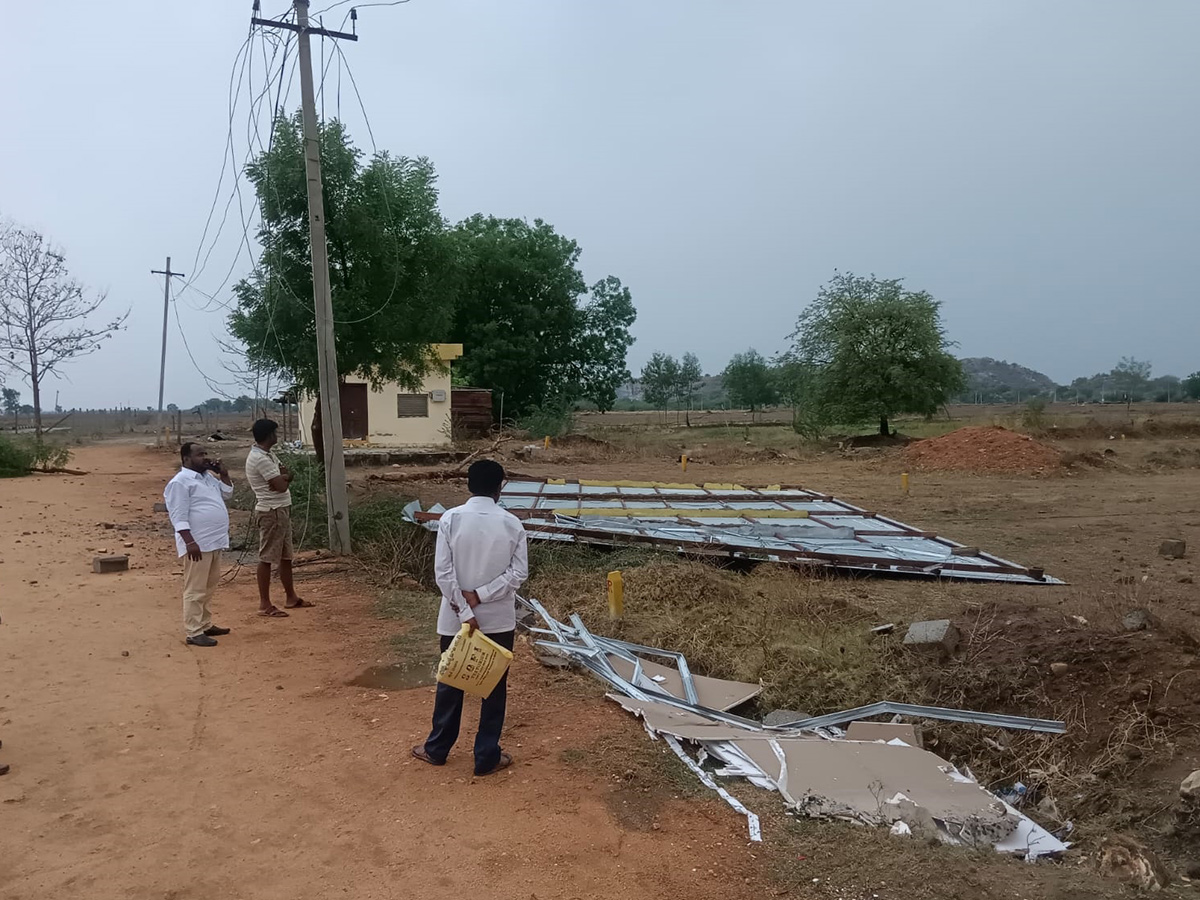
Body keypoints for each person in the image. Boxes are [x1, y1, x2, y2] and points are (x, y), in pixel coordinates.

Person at [412, 459, 528, 777]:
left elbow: (443, 573)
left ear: (468, 485)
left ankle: (437, 749)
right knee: (494, 687)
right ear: (500, 486)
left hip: (455, 620)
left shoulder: (451, 519)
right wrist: (483, 595)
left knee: (451, 681)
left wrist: (465, 610)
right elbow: (519, 573)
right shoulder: (512, 524)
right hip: (499, 620)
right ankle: (486, 755)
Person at [164, 443, 234, 647]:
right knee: (195, 588)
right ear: (186, 459)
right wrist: (189, 542)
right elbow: (178, 515)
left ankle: (205, 623)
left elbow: (227, 494)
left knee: (209, 585)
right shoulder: (180, 482)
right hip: (197, 543)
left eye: (205, 454)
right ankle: (194, 631)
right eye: (199, 455)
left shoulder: (208, 477)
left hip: (214, 541)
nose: (205, 458)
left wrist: (224, 474)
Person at [244, 418, 312, 618]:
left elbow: (284, 478)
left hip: (280, 509)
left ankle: (291, 597)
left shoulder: (267, 455)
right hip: (271, 510)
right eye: (275, 432)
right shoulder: (261, 459)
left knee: (285, 556)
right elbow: (282, 484)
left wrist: (283, 478)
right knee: (267, 557)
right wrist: (282, 479)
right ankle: (264, 604)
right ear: (269, 435)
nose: (277, 435)